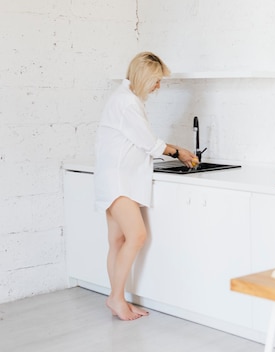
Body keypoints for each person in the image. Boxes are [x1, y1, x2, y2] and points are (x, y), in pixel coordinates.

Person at [94, 52, 198, 320]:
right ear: (144, 76)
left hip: (113, 178)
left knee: (117, 241)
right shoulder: (127, 103)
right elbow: (149, 143)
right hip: (119, 180)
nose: (158, 87)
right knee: (137, 236)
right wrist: (180, 152)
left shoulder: (124, 99)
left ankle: (119, 299)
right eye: (156, 80)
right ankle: (116, 299)